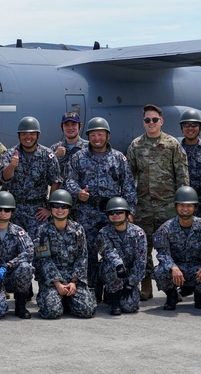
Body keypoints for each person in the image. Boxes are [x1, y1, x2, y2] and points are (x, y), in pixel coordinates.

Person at [66, 117, 135, 300]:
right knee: (86, 253)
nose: (97, 138)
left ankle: (113, 290)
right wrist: (78, 192)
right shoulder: (78, 157)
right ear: (88, 136)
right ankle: (91, 291)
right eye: (93, 135)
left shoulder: (119, 158)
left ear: (107, 136)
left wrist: (130, 212)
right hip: (86, 211)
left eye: (100, 134)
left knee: (113, 251)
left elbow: (128, 185)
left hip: (112, 213)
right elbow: (69, 180)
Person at [126, 104, 189, 301]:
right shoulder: (136, 146)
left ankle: (173, 288)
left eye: (154, 120)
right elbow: (129, 179)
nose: (151, 123)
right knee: (144, 248)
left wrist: (183, 205)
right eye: (147, 120)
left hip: (168, 207)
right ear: (143, 123)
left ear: (161, 121)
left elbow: (182, 176)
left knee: (171, 248)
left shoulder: (172, 144)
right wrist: (130, 207)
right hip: (144, 207)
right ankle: (146, 286)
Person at [152, 187, 201, 311]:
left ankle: (200, 294)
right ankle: (172, 295)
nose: (185, 209)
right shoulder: (165, 228)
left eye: (189, 206)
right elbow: (163, 253)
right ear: (176, 207)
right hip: (177, 268)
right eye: (181, 205)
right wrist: (173, 267)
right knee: (159, 272)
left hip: (199, 268)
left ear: (194, 207)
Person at [33, 189, 96, 319]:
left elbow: (82, 257)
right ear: (50, 208)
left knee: (86, 311)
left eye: (64, 206)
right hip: (51, 280)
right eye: (55, 206)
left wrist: (74, 282)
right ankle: (55, 299)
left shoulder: (78, 229)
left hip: (74, 279)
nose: (59, 209)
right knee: (52, 312)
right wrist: (57, 284)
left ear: (69, 209)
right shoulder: (42, 231)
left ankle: (70, 300)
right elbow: (44, 260)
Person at [0, 116, 62, 238]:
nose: (28, 137)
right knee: (16, 247)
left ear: (37, 135)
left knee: (39, 249)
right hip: (15, 210)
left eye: (32, 134)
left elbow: (56, 182)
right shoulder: (10, 154)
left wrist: (50, 209)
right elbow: (4, 178)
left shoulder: (47, 155)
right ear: (19, 135)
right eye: (24, 134)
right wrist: (12, 166)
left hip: (38, 212)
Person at [0, 191, 36, 320]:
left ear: (12, 212)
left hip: (12, 275)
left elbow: (30, 251)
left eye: (7, 210)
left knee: (25, 268)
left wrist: (9, 264)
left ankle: (20, 305)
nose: (3, 213)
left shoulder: (18, 231)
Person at [97, 197, 147, 316]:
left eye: (119, 212)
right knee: (112, 266)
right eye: (111, 213)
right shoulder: (104, 233)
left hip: (130, 273)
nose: (115, 215)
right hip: (113, 271)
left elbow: (141, 261)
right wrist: (119, 264)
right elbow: (108, 251)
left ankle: (123, 291)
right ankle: (113, 298)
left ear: (127, 214)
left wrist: (131, 283)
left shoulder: (138, 233)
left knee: (130, 307)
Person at [179, 109, 201, 221]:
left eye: (194, 125)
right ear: (182, 128)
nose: (190, 128)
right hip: (183, 202)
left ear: (200, 128)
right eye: (186, 125)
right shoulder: (175, 149)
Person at [50, 111, 88, 181]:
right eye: (66, 125)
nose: (70, 128)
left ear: (80, 126)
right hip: (60, 190)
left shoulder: (88, 147)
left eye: (73, 124)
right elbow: (45, 161)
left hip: (81, 190)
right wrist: (55, 155)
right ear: (62, 127)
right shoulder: (55, 148)